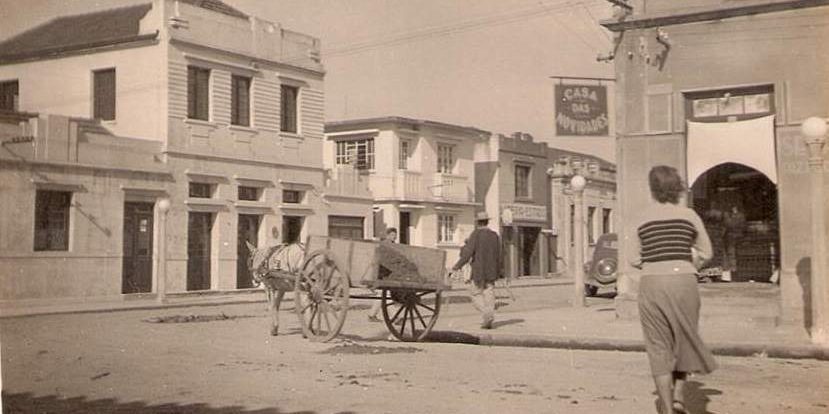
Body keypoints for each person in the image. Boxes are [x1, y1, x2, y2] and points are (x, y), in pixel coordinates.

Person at [628, 166, 717, 414]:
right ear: (677, 188)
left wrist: (655, 260)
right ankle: (679, 396)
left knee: (658, 346)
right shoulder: (689, 216)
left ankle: (667, 409)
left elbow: (633, 259)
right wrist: (688, 261)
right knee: (684, 338)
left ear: (652, 189)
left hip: (652, 283)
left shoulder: (641, 218)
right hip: (684, 282)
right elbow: (707, 253)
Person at [451, 212, 502, 329]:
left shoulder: (476, 234)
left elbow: (468, 253)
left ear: (478, 222)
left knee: (475, 293)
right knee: (489, 292)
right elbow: (499, 255)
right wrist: (499, 271)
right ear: (487, 222)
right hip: (492, 270)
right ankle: (489, 314)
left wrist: (457, 266)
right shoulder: (495, 235)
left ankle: (486, 313)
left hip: (478, 270)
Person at [368, 227, 398, 322]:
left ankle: (371, 315)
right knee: (386, 294)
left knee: (381, 295)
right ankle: (395, 317)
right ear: (387, 235)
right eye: (392, 235)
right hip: (381, 273)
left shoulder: (393, 245)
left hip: (388, 273)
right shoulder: (384, 245)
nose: (394, 237)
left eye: (395, 235)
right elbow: (380, 260)